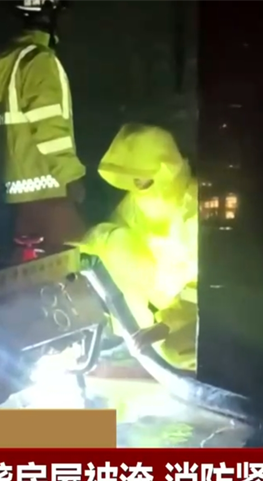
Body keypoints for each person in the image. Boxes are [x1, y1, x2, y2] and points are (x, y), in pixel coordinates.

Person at [75, 124, 199, 371]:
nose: (139, 185)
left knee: (174, 351)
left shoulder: (195, 204)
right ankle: (127, 335)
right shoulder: (137, 201)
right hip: (164, 299)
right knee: (108, 240)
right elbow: (111, 241)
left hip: (201, 309)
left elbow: (210, 284)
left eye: (144, 178)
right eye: (134, 179)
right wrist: (71, 254)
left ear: (165, 169)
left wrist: (167, 324)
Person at [0, 0, 86, 247]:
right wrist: (71, 176)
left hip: (21, 190)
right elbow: (49, 125)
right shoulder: (39, 61)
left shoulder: (13, 60)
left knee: (30, 262)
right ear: (49, 16)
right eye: (63, 13)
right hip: (50, 189)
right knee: (75, 254)